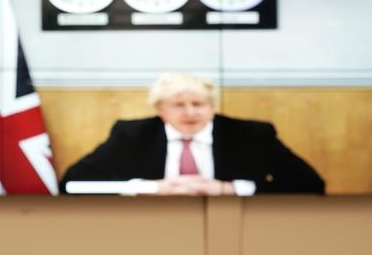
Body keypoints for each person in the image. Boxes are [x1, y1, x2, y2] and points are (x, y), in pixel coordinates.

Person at [60, 73, 325, 195]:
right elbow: (72, 184)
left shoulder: (250, 134)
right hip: (148, 226)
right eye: (178, 105)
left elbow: (311, 185)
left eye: (199, 104)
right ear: (160, 110)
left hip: (234, 224)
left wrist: (231, 188)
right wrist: (149, 188)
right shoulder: (132, 134)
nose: (190, 112)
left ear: (213, 107)